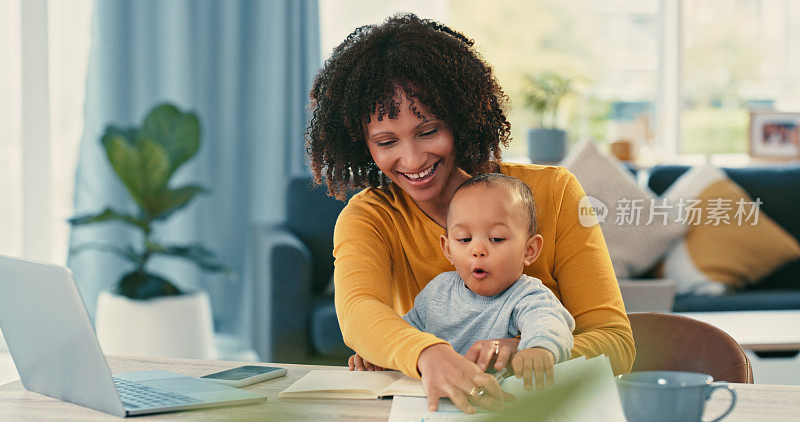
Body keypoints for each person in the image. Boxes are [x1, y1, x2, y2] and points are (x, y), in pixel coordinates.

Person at [305, 13, 634, 414]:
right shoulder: (370, 217)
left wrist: (523, 352)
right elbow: (359, 313)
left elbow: (615, 341)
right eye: (386, 141)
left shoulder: (555, 192)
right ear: (363, 145)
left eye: (428, 132)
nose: (412, 159)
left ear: (461, 120)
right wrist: (424, 354)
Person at [348, 174, 576, 396]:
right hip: (435, 400)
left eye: (496, 238)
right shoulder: (438, 291)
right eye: (464, 239)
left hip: (498, 403)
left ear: (530, 250)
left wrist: (540, 349)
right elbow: (405, 330)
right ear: (447, 249)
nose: (477, 250)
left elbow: (548, 322)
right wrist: (376, 354)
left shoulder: (528, 295)